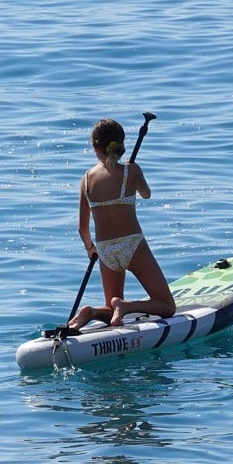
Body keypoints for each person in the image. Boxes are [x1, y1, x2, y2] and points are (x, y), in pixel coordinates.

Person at [67, 117, 178, 331]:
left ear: (94, 147)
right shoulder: (131, 172)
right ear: (121, 145)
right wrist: (135, 176)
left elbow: (82, 227)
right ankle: (125, 306)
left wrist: (90, 248)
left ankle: (92, 312)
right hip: (133, 245)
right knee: (167, 306)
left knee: (111, 311)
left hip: (105, 250)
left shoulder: (87, 179)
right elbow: (146, 195)